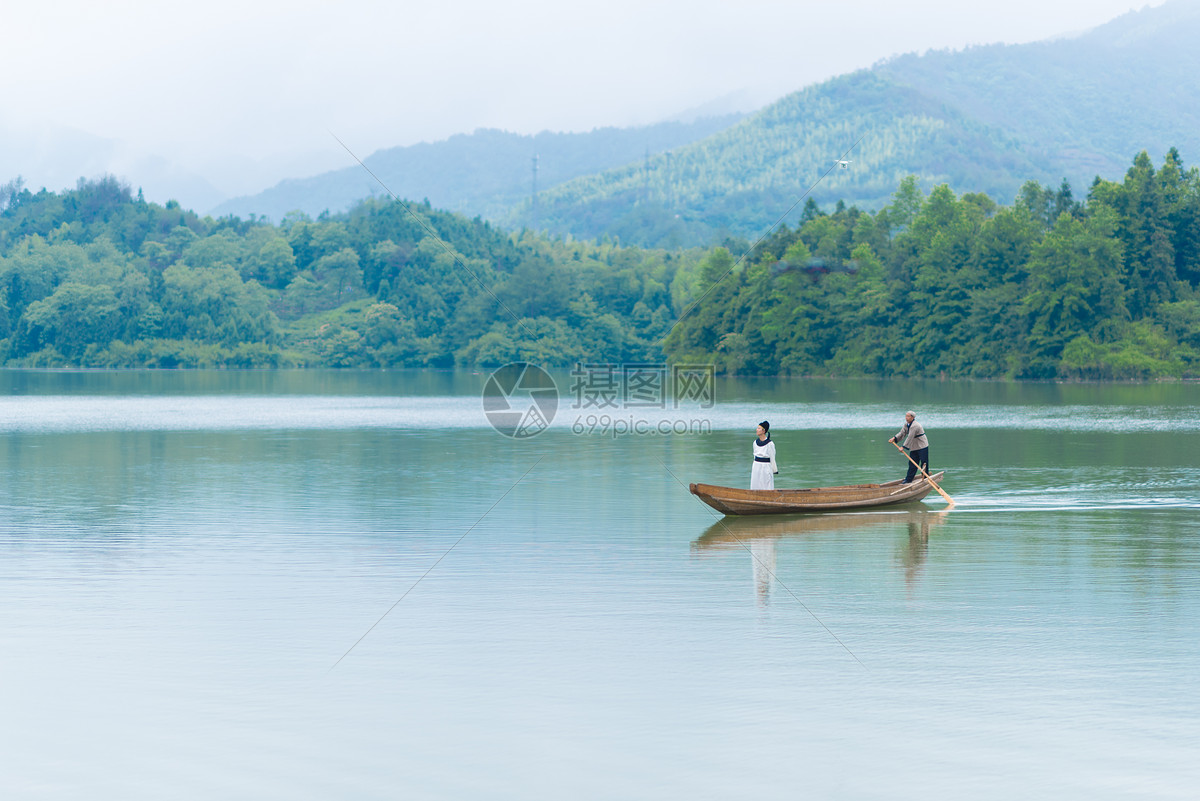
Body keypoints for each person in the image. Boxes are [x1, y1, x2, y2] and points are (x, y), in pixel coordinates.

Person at [889, 410, 929, 484]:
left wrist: (903, 447)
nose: (906, 418)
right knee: (912, 463)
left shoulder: (915, 425)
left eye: (908, 416)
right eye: (906, 416)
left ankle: (925, 477)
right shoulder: (906, 424)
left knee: (924, 462)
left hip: (922, 445)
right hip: (914, 446)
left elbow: (910, 437)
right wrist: (894, 438)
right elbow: (902, 432)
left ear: (912, 417)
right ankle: (909, 479)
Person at [751, 421, 778, 490]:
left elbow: (772, 458)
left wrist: (774, 470)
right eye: (757, 428)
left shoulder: (770, 444)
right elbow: (754, 456)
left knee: (766, 485)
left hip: (765, 467)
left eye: (759, 428)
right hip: (756, 466)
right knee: (755, 485)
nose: (757, 430)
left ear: (763, 431)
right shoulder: (755, 442)